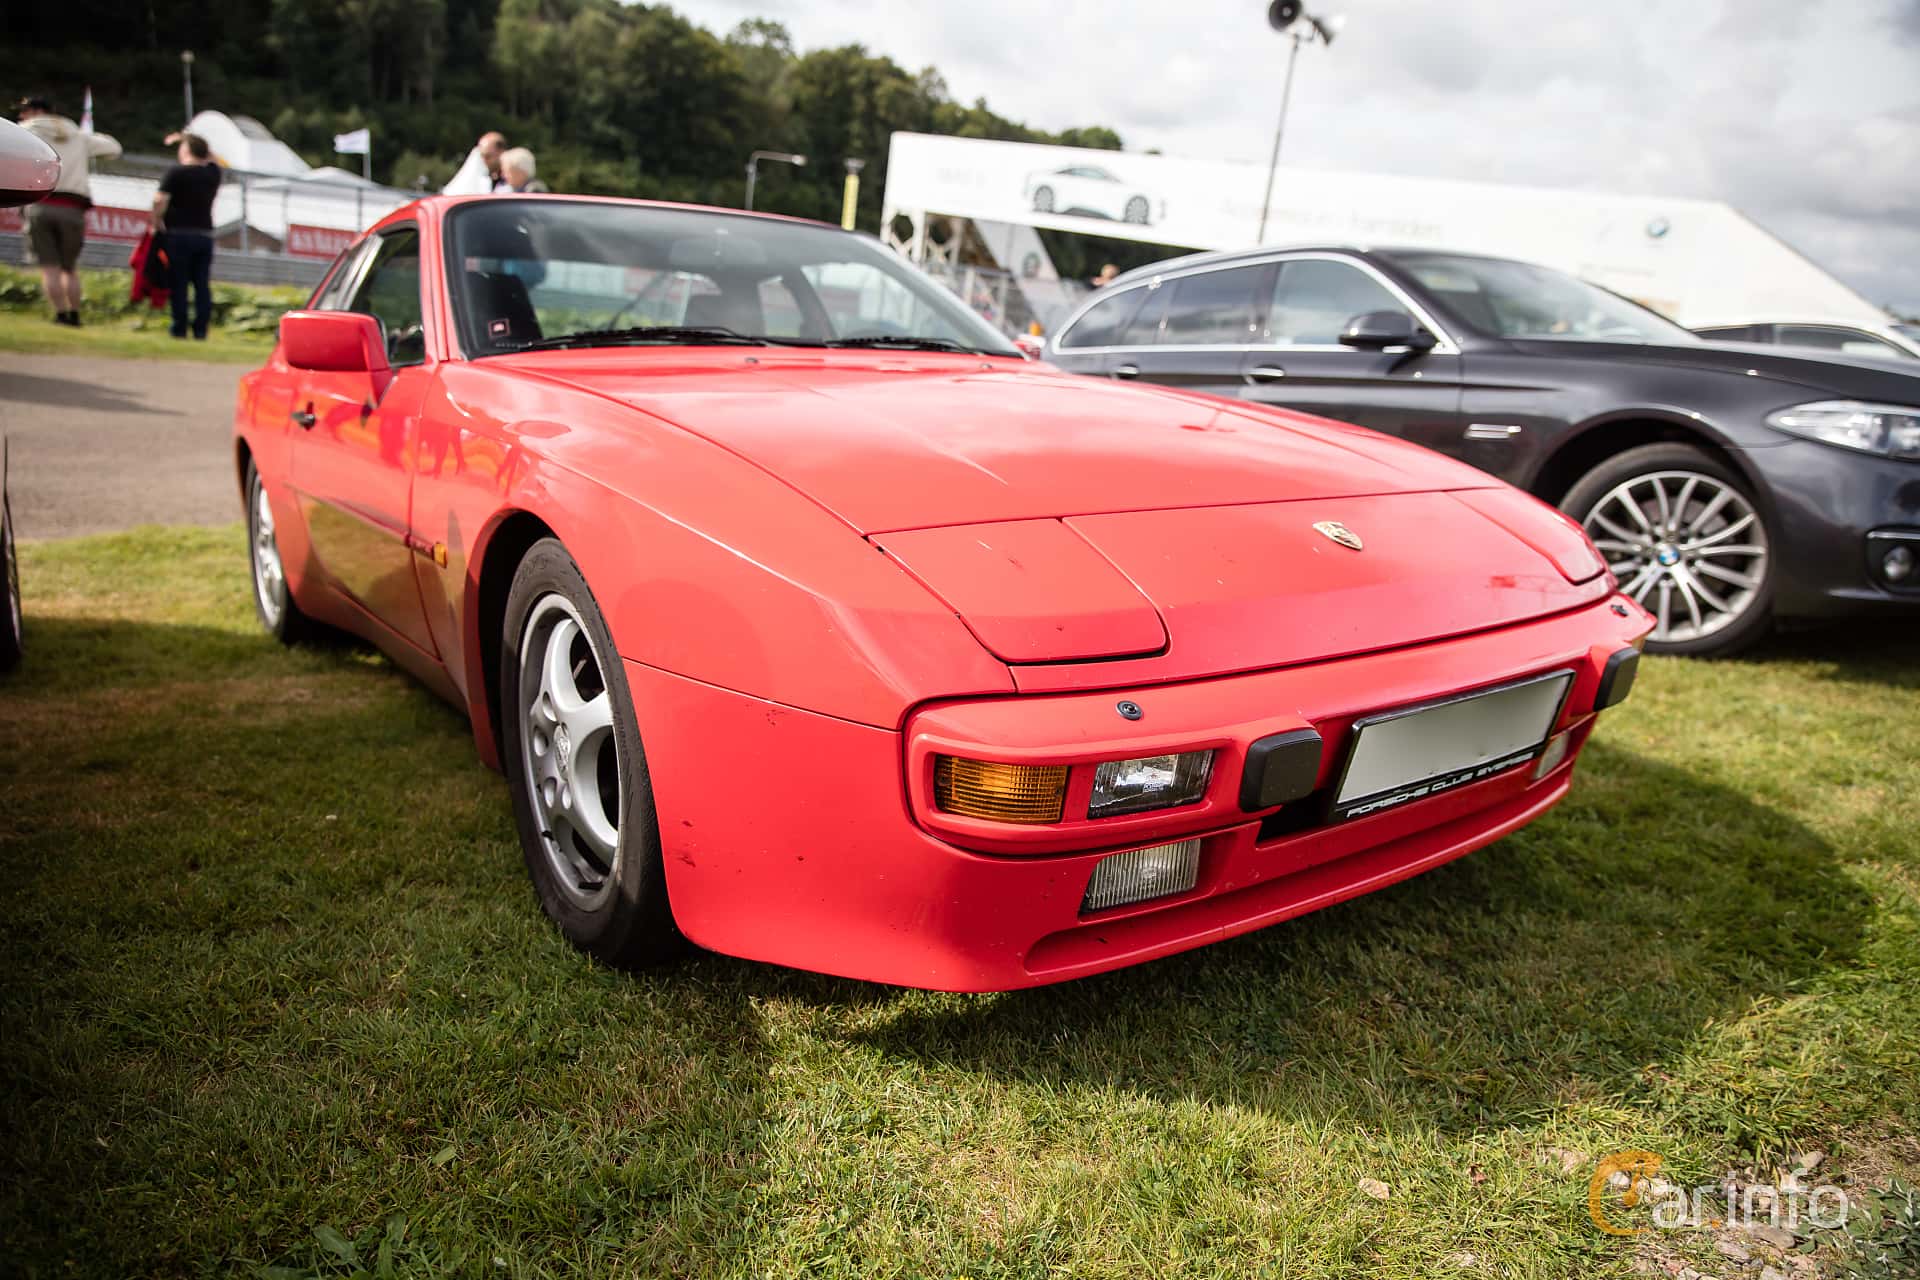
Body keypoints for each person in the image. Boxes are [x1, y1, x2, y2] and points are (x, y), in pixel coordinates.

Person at [15, 96, 122, 326]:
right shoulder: (78, 135)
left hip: (41, 204)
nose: (21, 116)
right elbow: (114, 147)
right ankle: (74, 314)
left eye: (24, 111)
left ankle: (60, 314)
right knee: (69, 268)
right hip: (74, 208)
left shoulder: (24, 131)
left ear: (34, 111)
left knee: (49, 268)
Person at [150, 131, 221, 341]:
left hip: (178, 234)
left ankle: (179, 328)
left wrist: (155, 221)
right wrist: (190, 139)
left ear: (187, 150)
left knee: (178, 283)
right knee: (201, 284)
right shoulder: (212, 174)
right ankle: (201, 330)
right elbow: (213, 159)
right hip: (204, 236)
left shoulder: (176, 172)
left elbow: (159, 200)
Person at [442, 131, 508, 195]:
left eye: (487, 156)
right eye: (482, 156)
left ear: (501, 152)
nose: (484, 161)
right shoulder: (485, 178)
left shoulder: (511, 178)